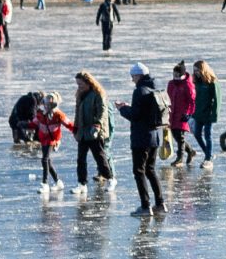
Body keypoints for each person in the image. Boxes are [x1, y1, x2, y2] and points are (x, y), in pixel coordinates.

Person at [123, 65, 168, 215]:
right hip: (154, 137)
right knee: (150, 170)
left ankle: (145, 206)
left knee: (139, 171)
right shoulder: (153, 89)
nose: (132, 79)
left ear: (139, 76)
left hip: (141, 138)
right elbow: (143, 112)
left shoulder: (139, 91)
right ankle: (161, 204)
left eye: (133, 76)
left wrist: (122, 109)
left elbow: (135, 115)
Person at [72, 70, 114, 185]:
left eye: (80, 84)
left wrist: (97, 125)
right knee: (81, 159)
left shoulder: (98, 94)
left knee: (99, 158)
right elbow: (77, 112)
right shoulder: (79, 94)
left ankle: (110, 179)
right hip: (82, 132)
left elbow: (102, 111)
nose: (79, 86)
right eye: (77, 84)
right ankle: (82, 184)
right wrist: (75, 128)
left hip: (94, 132)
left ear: (88, 82)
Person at [192, 59, 220, 163]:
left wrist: (214, 115)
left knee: (208, 135)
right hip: (198, 113)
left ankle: (208, 158)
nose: (195, 73)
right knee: (197, 134)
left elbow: (217, 100)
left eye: (197, 70)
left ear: (203, 70)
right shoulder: (196, 82)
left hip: (208, 114)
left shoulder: (212, 82)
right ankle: (208, 153)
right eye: (194, 71)